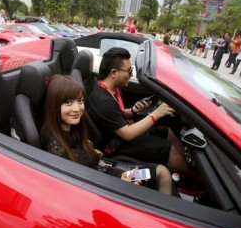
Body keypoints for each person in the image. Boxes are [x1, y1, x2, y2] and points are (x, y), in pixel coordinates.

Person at [41, 75, 172, 195]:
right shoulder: (56, 146)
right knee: (161, 174)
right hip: (106, 185)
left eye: (80, 101)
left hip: (108, 172)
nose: (77, 108)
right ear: (54, 105)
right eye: (68, 103)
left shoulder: (73, 128)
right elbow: (80, 188)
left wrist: (123, 176)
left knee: (161, 172)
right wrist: (121, 183)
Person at [87, 47, 196, 180]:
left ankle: (188, 161)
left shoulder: (111, 90)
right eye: (129, 71)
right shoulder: (102, 100)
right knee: (165, 147)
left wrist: (132, 111)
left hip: (120, 132)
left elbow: (118, 114)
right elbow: (127, 134)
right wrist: (155, 114)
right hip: (115, 145)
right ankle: (195, 178)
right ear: (114, 73)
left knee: (164, 128)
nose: (131, 75)